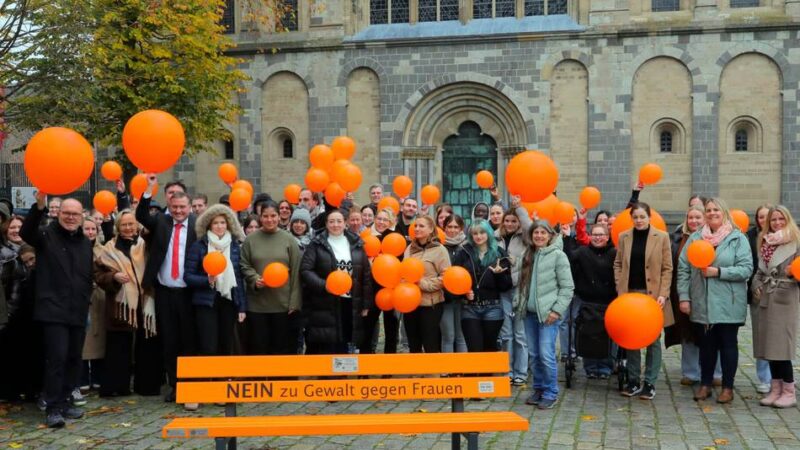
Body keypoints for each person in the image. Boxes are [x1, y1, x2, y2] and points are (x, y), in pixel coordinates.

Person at [20, 193, 93, 428]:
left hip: (78, 309)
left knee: (74, 359)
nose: (71, 217)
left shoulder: (84, 241)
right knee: (57, 358)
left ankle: (65, 401)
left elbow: (86, 274)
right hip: (53, 310)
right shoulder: (45, 235)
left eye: (75, 214)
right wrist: (39, 205)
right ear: (58, 214)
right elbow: (26, 232)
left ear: (82, 216)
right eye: (66, 213)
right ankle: (52, 407)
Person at [678, 198, 752, 404]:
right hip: (702, 301)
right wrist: (684, 297)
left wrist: (718, 272)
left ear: (724, 212)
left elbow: (746, 268)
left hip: (728, 301)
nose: (711, 213)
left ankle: (727, 387)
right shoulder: (695, 238)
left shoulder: (738, 239)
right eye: (708, 210)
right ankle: (705, 384)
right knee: (706, 345)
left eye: (715, 210)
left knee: (728, 344)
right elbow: (683, 270)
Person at [135, 175, 197, 406]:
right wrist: (149, 190)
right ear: (169, 207)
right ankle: (175, 386)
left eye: (183, 207)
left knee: (189, 341)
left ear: (190, 207)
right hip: (164, 291)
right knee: (169, 341)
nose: (179, 211)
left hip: (189, 293)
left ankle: (191, 386)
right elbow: (140, 215)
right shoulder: (161, 221)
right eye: (174, 207)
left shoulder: (198, 225)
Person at [94, 210, 158, 398]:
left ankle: (147, 386)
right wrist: (113, 276)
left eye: (132, 224)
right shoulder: (108, 248)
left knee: (147, 345)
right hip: (120, 304)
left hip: (146, 301)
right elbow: (97, 275)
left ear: (137, 225)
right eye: (124, 225)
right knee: (118, 346)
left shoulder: (145, 245)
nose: (128, 228)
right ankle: (116, 387)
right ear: (117, 227)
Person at [614, 202, 673, 400]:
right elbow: (618, 263)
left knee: (653, 340)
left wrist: (663, 293)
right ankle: (633, 380)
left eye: (642, 217)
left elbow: (667, 268)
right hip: (629, 295)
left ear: (649, 217)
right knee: (631, 340)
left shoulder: (662, 237)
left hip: (653, 297)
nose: (639, 220)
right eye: (636, 217)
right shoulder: (624, 237)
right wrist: (619, 286)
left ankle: (649, 382)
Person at [517, 221, 574, 409]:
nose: (539, 236)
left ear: (550, 235)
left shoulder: (558, 256)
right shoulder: (529, 254)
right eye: (536, 233)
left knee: (546, 354)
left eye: (543, 233)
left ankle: (551, 391)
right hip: (530, 314)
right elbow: (522, 283)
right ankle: (539, 388)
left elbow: (567, 287)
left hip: (548, 316)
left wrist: (557, 310)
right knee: (533, 354)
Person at [300, 209, 372, 353]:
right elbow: (306, 270)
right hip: (325, 301)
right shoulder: (317, 243)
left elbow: (365, 275)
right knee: (327, 343)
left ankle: (342, 374)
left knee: (345, 341)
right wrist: (324, 285)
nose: (335, 225)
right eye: (331, 221)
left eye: (339, 221)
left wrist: (365, 304)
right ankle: (325, 375)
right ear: (326, 224)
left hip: (349, 301)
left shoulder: (356, 243)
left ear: (345, 223)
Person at [665, 204, 721, 386]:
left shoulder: (714, 238)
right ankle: (690, 372)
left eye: (698, 217)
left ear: (705, 218)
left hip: (710, 292)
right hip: (682, 292)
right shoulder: (676, 239)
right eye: (691, 217)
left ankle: (716, 373)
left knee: (713, 333)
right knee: (687, 332)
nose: (694, 221)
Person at [752, 205, 800, 408]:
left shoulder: (796, 242)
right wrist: (756, 285)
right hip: (766, 298)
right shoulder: (765, 242)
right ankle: (775, 387)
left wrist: (793, 272)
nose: (777, 223)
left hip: (785, 297)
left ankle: (789, 389)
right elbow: (760, 270)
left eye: (781, 219)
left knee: (782, 346)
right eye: (773, 220)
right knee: (768, 346)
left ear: (787, 219)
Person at [184, 204, 246, 359]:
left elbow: (238, 278)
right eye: (216, 223)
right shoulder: (199, 246)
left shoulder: (234, 246)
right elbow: (188, 276)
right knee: (208, 346)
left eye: (223, 222)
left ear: (228, 224)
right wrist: (207, 280)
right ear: (209, 225)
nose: (219, 226)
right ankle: (208, 381)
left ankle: (223, 380)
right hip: (206, 302)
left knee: (226, 344)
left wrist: (242, 307)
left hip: (228, 301)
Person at [240, 200, 302, 355]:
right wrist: (254, 279)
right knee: (259, 349)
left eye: (273, 215)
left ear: (278, 216)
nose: (269, 220)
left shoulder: (289, 240)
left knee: (281, 350)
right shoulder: (250, 240)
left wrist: (294, 302)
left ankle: (280, 379)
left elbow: (296, 272)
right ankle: (261, 379)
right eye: (265, 216)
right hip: (257, 305)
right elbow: (244, 265)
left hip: (283, 305)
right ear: (260, 217)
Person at [454, 219, 512, 353]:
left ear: (489, 234)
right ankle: (473, 374)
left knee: (489, 349)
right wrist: (464, 292)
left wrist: (499, 274)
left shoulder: (499, 253)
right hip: (470, 308)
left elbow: (506, 286)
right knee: (474, 349)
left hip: (493, 308)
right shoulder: (464, 253)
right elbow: (455, 279)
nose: (478, 236)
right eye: (475, 233)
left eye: (482, 232)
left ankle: (487, 374)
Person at [570, 223, 617, 379]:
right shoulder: (583, 252)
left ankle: (605, 366)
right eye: (594, 235)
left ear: (607, 237)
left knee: (607, 335)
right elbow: (569, 259)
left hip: (609, 301)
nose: (597, 238)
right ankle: (590, 366)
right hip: (587, 301)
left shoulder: (614, 253)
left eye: (601, 235)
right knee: (588, 334)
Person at [403, 216, 450, 353]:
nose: (417, 228)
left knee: (431, 344)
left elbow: (446, 277)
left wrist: (423, 284)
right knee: (413, 344)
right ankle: (417, 373)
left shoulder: (440, 250)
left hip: (431, 305)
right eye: (416, 226)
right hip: (410, 304)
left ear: (431, 229)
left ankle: (432, 374)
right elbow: (404, 271)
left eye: (421, 226)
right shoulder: (410, 249)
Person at [361, 208, 401, 354]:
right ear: (375, 219)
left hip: (390, 289)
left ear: (390, 222)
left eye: (385, 220)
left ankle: (388, 367)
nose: (381, 222)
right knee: (368, 326)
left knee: (391, 328)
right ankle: (365, 367)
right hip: (371, 288)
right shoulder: (366, 237)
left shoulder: (395, 238)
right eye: (379, 219)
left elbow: (400, 261)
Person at [747, 203, 773, 394]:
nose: (764, 220)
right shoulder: (750, 237)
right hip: (758, 291)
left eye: (768, 216)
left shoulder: (788, 237)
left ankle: (782, 377)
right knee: (761, 335)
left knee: (780, 336)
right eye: (760, 217)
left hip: (780, 293)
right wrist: (754, 286)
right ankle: (764, 377)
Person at [78, 219, 106, 398]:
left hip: (100, 298)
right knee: (82, 341)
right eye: (86, 228)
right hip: (81, 298)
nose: (90, 232)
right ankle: (81, 380)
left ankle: (97, 378)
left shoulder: (103, 250)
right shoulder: (75, 247)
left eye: (92, 229)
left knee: (99, 339)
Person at [441, 215, 467, 353]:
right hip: (445, 298)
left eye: (456, 227)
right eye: (449, 227)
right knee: (448, 335)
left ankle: (462, 370)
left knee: (461, 335)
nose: (452, 230)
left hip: (463, 298)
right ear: (444, 228)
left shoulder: (467, 246)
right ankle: (446, 371)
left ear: (461, 228)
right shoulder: (439, 246)